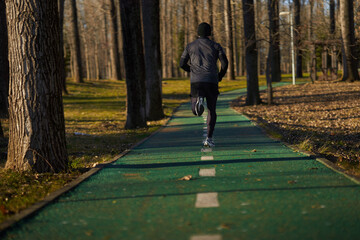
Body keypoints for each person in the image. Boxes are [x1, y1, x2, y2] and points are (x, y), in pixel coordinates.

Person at [180, 22, 228, 147]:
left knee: (195, 111)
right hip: (212, 80)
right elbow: (225, 62)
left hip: (196, 81)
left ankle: (198, 100)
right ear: (209, 33)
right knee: (212, 110)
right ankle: (209, 138)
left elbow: (181, 63)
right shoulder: (216, 46)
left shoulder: (190, 46)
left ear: (198, 32)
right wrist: (220, 75)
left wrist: (191, 70)